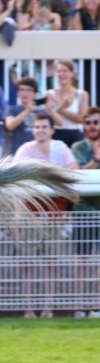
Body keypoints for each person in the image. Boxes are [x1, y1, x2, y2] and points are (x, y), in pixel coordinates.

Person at [15, 113, 76, 318]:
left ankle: (48, 308)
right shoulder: (24, 150)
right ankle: (28, 309)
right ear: (33, 130)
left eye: (44, 127)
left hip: (54, 215)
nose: (40, 130)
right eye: (37, 127)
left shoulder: (61, 148)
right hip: (29, 215)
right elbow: (17, 181)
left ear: (51, 130)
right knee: (27, 263)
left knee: (51, 262)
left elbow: (73, 171)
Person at [71, 107, 100, 318]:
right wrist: (96, 159)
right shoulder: (78, 147)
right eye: (88, 122)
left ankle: (98, 306)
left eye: (96, 122)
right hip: (83, 211)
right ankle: (80, 306)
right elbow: (78, 175)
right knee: (81, 259)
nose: (92, 126)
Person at [45, 60, 89, 147]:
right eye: (59, 71)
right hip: (55, 134)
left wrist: (61, 109)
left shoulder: (81, 94)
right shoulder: (49, 94)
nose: (62, 74)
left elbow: (82, 119)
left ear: (72, 73)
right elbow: (48, 118)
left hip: (75, 135)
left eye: (65, 71)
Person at [69, 0, 100, 106]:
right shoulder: (79, 13)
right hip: (84, 58)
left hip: (98, 55)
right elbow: (79, 36)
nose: (91, 0)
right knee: (87, 86)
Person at [4, 76, 41, 155]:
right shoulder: (12, 109)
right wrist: (28, 110)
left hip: (38, 153)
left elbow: (59, 123)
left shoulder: (41, 111)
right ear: (17, 93)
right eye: (22, 89)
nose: (25, 93)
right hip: (17, 152)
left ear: (35, 93)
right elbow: (10, 126)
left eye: (29, 90)